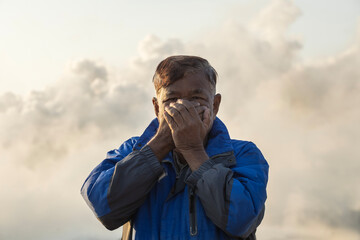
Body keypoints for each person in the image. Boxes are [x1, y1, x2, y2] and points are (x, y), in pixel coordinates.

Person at [81, 55, 269, 240]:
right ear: (157, 108)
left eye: (196, 97)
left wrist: (193, 150)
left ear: (215, 105)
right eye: (172, 99)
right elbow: (103, 208)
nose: (183, 107)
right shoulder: (132, 149)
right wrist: (160, 143)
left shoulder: (243, 155)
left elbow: (241, 220)